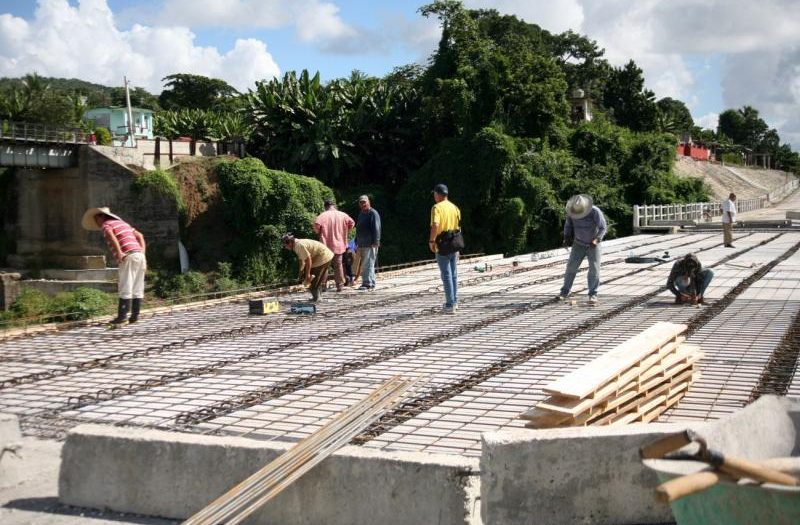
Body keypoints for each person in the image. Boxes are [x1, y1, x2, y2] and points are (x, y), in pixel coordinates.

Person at [81, 207, 147, 325]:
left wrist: (119, 252)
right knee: (137, 286)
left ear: (101, 216)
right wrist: (142, 253)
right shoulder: (123, 224)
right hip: (139, 255)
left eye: (96, 219)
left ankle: (122, 317)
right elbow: (140, 235)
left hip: (128, 255)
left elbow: (112, 237)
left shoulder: (107, 225)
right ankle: (135, 315)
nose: (97, 222)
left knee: (125, 286)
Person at [558, 194, 607, 304]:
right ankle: (564, 291)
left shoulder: (595, 211)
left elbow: (603, 227)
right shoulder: (572, 212)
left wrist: (597, 239)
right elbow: (568, 226)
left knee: (594, 269)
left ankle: (593, 294)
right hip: (578, 243)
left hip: (593, 244)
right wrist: (566, 238)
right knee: (571, 267)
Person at [429, 183, 461, 313]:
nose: (434, 196)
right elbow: (459, 226)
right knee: (453, 274)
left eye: (434, 194)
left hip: (442, 243)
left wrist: (432, 240)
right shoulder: (455, 207)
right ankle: (454, 301)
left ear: (438, 194)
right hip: (454, 242)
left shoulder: (436, 208)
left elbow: (435, 225)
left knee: (446, 274)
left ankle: (449, 304)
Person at [314, 199, 355, 292]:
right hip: (340, 244)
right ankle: (340, 285)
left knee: (324, 266)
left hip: (325, 245)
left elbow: (316, 226)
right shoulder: (343, 215)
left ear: (325, 206)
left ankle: (323, 286)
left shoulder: (322, 216)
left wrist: (319, 232)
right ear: (334, 205)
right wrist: (346, 231)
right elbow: (352, 223)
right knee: (338, 265)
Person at [281, 233, 333, 302]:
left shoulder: (299, 246)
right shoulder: (296, 246)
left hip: (323, 256)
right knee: (313, 278)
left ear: (289, 242)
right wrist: (300, 274)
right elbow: (301, 261)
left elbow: (308, 260)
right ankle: (318, 296)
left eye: (285, 245)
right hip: (323, 255)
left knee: (313, 280)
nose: (285, 247)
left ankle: (317, 298)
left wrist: (307, 275)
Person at [355, 195, 381, 290]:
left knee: (368, 263)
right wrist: (356, 241)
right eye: (361, 202)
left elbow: (376, 227)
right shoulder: (361, 214)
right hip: (362, 243)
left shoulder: (373, 213)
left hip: (370, 243)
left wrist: (376, 241)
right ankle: (369, 282)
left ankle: (368, 283)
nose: (363, 204)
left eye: (364, 202)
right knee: (366, 264)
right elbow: (358, 228)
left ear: (368, 202)